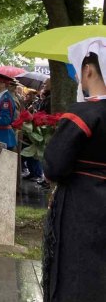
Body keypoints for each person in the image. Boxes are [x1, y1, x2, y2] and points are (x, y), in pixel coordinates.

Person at [42, 42, 106, 302]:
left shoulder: (84, 114)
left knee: (77, 270)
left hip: (83, 206)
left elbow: (54, 166)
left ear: (89, 70)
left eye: (79, 70)